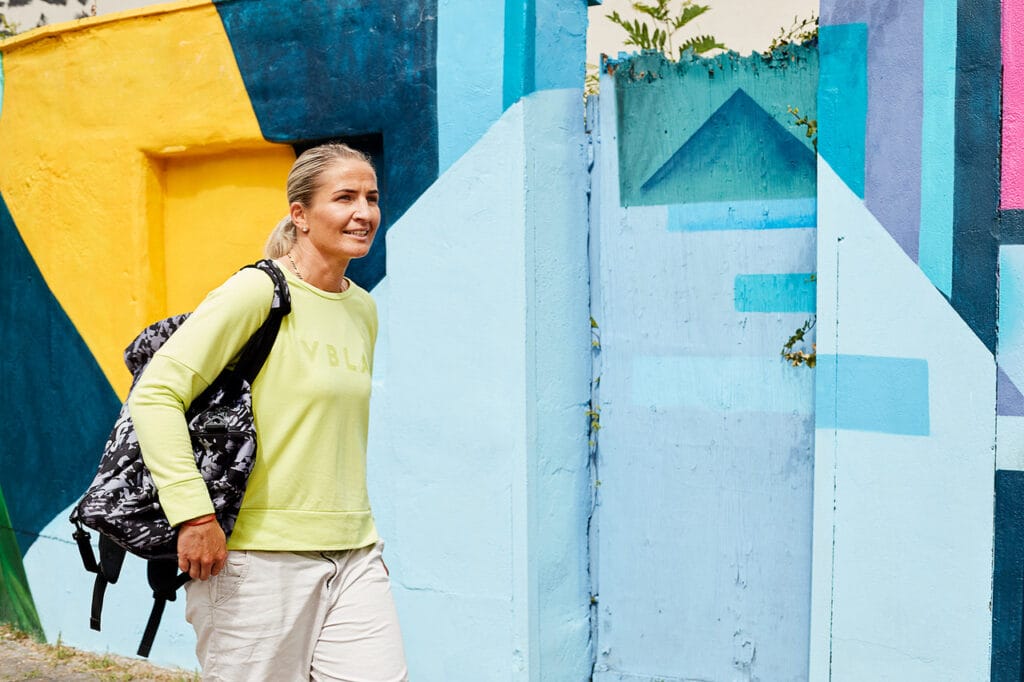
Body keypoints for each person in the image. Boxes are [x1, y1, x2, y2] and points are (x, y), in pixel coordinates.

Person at [128, 143, 408, 681]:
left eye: (371, 198)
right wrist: (194, 515)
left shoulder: (362, 308)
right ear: (299, 214)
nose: (364, 212)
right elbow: (156, 393)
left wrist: (357, 537)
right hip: (253, 560)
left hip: (352, 556)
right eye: (344, 197)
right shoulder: (258, 290)